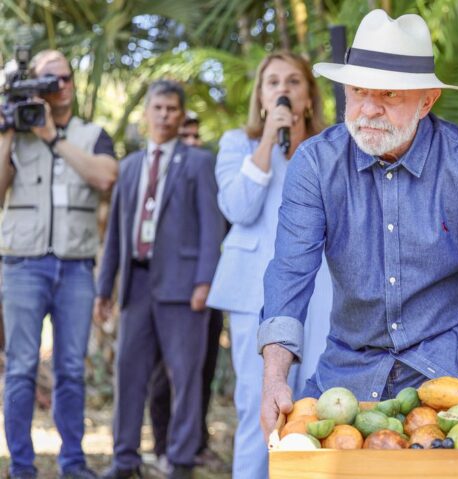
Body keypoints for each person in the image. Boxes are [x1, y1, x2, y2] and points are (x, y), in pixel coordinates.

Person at [257, 9, 458, 459]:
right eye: (358, 91)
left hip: (453, 356)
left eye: (388, 93)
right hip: (352, 360)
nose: (368, 109)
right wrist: (274, 379)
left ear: (426, 102)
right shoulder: (314, 164)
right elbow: (289, 274)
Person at [205, 51, 332, 478]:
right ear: (260, 96)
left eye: (293, 81)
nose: (283, 89)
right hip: (253, 294)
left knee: (316, 401)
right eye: (273, 82)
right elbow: (237, 208)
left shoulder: (329, 148)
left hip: (322, 291)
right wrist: (267, 141)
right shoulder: (236, 145)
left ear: (309, 97)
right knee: (258, 403)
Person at [94, 80, 226, 479]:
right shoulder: (130, 166)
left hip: (183, 288)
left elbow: (211, 227)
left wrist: (204, 282)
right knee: (129, 375)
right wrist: (105, 289)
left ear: (181, 115)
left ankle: (181, 460)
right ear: (146, 113)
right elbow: (116, 235)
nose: (165, 115)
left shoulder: (198, 162)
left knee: (184, 377)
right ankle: (124, 459)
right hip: (136, 284)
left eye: (172, 109)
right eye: (158, 108)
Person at [0, 49, 118, 479]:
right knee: (20, 368)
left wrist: (52, 137)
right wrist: (7, 133)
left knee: (70, 368)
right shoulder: (16, 134)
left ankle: (73, 463)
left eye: (65, 77)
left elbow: (106, 177)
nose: (60, 85)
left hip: (75, 268)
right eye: (49, 79)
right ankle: (21, 466)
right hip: (22, 265)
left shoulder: (92, 133)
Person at [146, 114, 228, 474]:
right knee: (163, 376)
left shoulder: (208, 176)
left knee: (202, 371)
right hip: (168, 292)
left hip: (207, 289)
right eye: (186, 136)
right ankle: (162, 445)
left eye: (196, 135)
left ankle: (196, 443)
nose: (193, 141)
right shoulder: (160, 180)